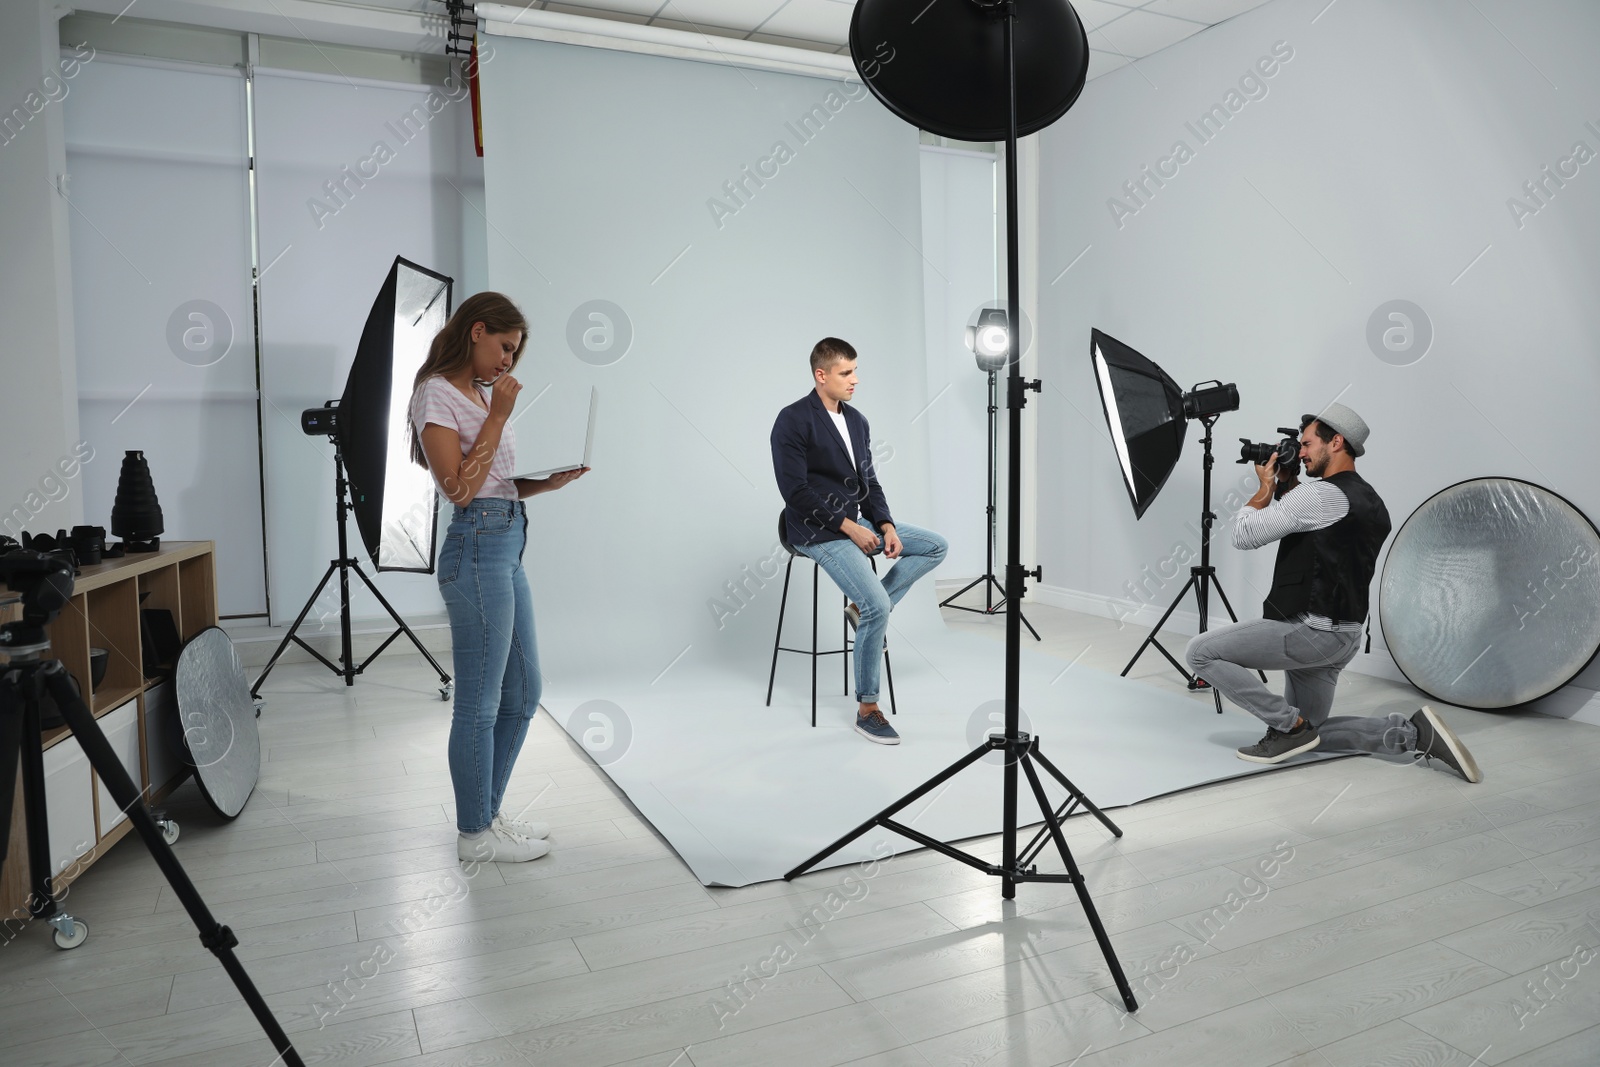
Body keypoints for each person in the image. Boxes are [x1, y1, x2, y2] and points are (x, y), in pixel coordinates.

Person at [1185, 402, 1481, 781]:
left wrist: (1264, 488)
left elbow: (1245, 535)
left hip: (1309, 633)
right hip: (1344, 637)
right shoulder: (1371, 501)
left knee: (1201, 653)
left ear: (1336, 442)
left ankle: (1286, 726)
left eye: (1307, 444)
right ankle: (1413, 735)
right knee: (1314, 734)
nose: (1301, 451)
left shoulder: (1318, 496)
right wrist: (1288, 485)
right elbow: (1322, 540)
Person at [408, 292, 589, 863]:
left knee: (525, 691)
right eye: (505, 348)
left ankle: (487, 815)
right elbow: (459, 489)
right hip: (477, 548)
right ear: (478, 330)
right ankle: (473, 836)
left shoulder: (479, 396)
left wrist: (544, 484)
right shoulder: (436, 392)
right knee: (481, 703)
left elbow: (491, 479)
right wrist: (499, 416)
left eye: (514, 354)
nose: (508, 363)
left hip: (507, 542)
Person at [770, 337, 948, 744]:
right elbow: (794, 492)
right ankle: (868, 708)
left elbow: (869, 482)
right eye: (846, 373)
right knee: (879, 606)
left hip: (856, 517)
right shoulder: (793, 420)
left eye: (855, 371)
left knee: (935, 545)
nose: (855, 380)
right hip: (811, 527)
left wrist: (884, 525)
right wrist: (848, 527)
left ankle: (861, 609)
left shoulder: (857, 421)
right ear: (821, 375)